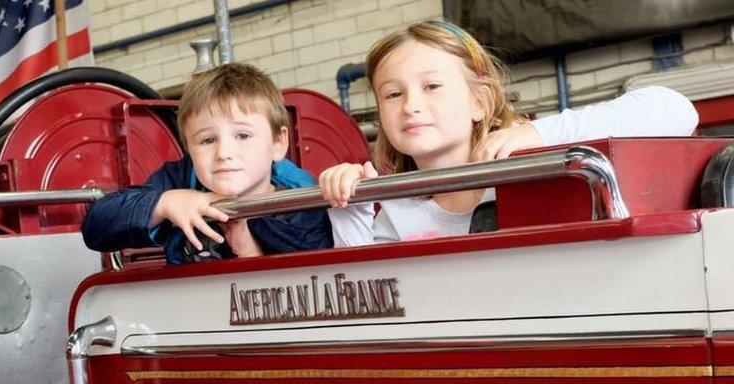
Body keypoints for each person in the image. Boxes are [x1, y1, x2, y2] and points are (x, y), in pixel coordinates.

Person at [320, 21, 699, 246]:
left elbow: (675, 109)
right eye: (393, 94)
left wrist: (537, 134)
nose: (411, 105)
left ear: (480, 103)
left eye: (432, 86)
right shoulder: (397, 214)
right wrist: (350, 210)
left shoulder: (535, 166)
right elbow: (369, 305)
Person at [82, 63, 332, 264]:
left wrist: (247, 250)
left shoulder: (303, 200)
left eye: (242, 136)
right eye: (207, 140)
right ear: (189, 147)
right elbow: (97, 227)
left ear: (278, 143)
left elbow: (308, 280)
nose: (223, 152)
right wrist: (165, 203)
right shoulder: (181, 179)